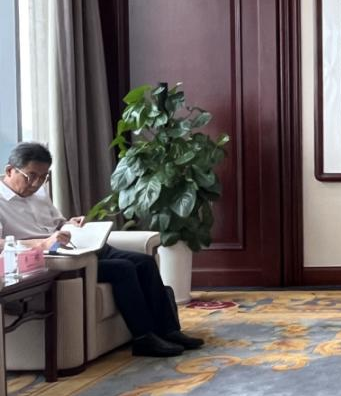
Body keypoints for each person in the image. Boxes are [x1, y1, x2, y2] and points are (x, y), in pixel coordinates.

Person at [0, 141, 204, 357]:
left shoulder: (40, 195)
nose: (36, 183)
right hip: (54, 260)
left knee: (144, 262)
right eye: (31, 176)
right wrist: (43, 243)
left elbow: (57, 224)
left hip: (78, 247)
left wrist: (70, 224)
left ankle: (169, 331)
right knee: (123, 268)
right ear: (10, 170)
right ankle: (144, 339)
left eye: (43, 177)